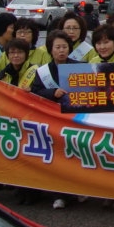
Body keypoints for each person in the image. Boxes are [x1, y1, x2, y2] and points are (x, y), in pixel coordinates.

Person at [30, 30, 78, 210]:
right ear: (50, 49)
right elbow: (35, 92)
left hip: (74, 119)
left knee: (73, 157)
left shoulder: (79, 66)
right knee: (56, 158)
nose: (61, 50)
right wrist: (53, 93)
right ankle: (59, 195)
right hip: (52, 120)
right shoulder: (43, 72)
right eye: (57, 47)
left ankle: (77, 191)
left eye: (64, 47)